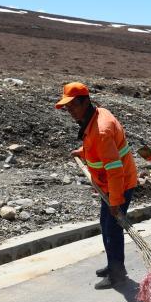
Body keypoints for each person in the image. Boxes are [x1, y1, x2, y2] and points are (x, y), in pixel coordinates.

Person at [56, 82, 138, 289]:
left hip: (118, 184)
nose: (70, 112)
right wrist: (82, 152)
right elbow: (98, 149)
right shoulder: (96, 116)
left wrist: (116, 201)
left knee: (112, 228)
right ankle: (113, 264)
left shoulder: (101, 130)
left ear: (85, 102)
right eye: (67, 108)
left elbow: (114, 169)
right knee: (107, 225)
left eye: (73, 106)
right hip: (110, 184)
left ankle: (117, 273)